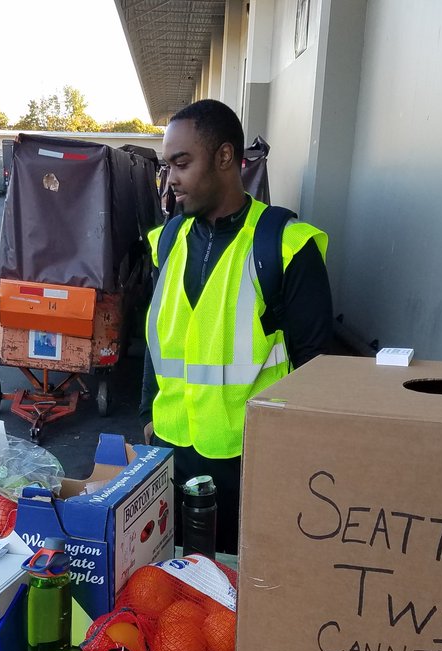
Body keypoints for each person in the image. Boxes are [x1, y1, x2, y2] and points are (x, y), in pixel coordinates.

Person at [139, 98, 335, 555]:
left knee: (232, 599)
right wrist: (148, 416)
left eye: (182, 163)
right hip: (168, 457)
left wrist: (292, 461)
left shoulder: (284, 246)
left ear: (226, 157)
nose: (171, 180)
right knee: (169, 592)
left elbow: (316, 369)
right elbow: (157, 337)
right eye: (167, 166)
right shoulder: (168, 240)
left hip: (247, 466)